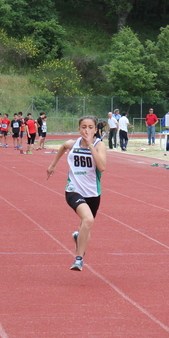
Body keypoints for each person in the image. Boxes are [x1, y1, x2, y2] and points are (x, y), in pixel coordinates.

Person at [46, 116, 107, 271]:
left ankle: (78, 237)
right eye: (83, 127)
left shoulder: (100, 145)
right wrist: (53, 165)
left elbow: (102, 167)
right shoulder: (72, 144)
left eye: (90, 127)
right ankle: (79, 259)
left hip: (93, 193)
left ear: (95, 129)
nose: (86, 130)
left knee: (86, 228)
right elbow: (62, 147)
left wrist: (90, 147)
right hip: (73, 190)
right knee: (88, 220)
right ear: (79, 129)